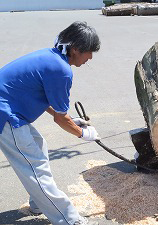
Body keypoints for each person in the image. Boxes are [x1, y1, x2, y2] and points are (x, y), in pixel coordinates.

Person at [0, 21, 102, 225]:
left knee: (38, 146)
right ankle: (69, 220)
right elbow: (59, 119)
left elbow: (47, 100)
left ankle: (39, 202)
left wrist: (70, 119)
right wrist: (82, 134)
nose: (90, 58)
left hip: (10, 110)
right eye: (89, 52)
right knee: (35, 167)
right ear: (75, 49)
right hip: (6, 116)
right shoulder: (61, 70)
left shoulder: (50, 57)